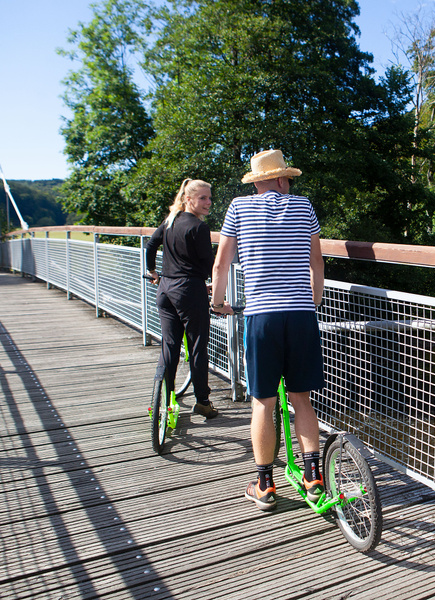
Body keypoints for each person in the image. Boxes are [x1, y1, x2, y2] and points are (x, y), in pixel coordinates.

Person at [210, 149, 324, 511]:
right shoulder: (303, 207)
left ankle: (264, 484)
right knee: (301, 398)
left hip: (261, 317)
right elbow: (316, 261)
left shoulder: (238, 209)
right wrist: (314, 301)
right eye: (287, 178)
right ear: (277, 179)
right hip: (300, 314)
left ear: (256, 181)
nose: (290, 184)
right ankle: (313, 478)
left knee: (263, 401)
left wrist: (217, 303)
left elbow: (221, 264)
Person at [145, 178, 218, 419]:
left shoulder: (170, 221)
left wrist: (153, 272)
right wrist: (213, 288)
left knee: (170, 345)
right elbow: (209, 265)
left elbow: (151, 245)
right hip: (189, 291)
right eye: (203, 198)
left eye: (209, 197)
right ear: (189, 200)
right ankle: (203, 401)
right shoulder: (198, 227)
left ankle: (164, 400)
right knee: (197, 346)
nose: (209, 202)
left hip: (165, 289)